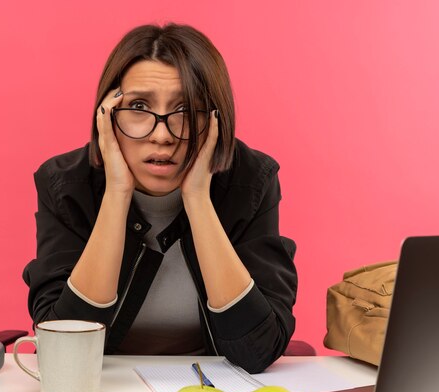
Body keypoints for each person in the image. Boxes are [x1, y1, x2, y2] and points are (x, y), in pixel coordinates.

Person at [23, 23, 297, 373]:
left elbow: (256, 352)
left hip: (208, 383)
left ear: (216, 120)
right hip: (106, 389)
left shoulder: (250, 180)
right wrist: (117, 192)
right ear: (106, 116)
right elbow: (65, 352)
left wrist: (197, 197)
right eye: (138, 106)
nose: (162, 135)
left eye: (186, 111)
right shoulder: (66, 183)